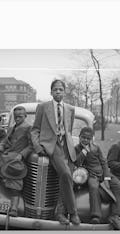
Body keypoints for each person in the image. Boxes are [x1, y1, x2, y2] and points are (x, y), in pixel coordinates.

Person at [31, 79, 80, 225]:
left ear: (64, 92)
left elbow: (68, 130)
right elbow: (35, 130)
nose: (58, 92)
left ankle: (59, 212)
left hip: (68, 147)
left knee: (65, 179)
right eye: (55, 89)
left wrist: (69, 144)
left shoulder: (70, 109)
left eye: (60, 89)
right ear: (51, 92)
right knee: (65, 174)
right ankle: (73, 212)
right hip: (52, 145)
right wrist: (38, 147)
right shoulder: (43, 107)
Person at [0, 106, 33, 216]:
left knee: (14, 178)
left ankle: (14, 208)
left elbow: (31, 145)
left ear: (25, 116)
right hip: (6, 155)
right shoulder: (12, 128)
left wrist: (21, 155)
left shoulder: (29, 128)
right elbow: (4, 141)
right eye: (16, 116)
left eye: (20, 116)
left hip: (16, 158)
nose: (17, 118)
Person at [74, 127, 120, 230]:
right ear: (79, 137)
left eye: (88, 138)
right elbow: (77, 162)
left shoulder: (96, 148)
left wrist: (107, 177)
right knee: (93, 187)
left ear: (91, 139)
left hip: (103, 173)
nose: (85, 140)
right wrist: (85, 151)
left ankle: (116, 215)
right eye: (83, 138)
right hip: (90, 174)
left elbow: (103, 162)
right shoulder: (77, 149)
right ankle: (96, 215)